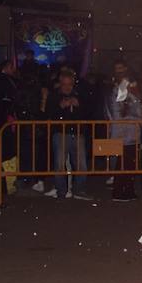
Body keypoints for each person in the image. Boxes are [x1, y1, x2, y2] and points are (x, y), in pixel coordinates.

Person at [45, 71, 88, 200]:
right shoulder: (54, 96)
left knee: (81, 165)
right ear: (60, 83)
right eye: (64, 84)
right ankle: (61, 191)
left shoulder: (79, 95)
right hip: (60, 133)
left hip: (77, 133)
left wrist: (79, 105)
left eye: (69, 84)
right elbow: (48, 113)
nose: (67, 87)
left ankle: (79, 190)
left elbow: (88, 112)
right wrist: (60, 107)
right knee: (59, 164)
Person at [104, 73, 142, 201]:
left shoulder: (131, 96)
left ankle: (128, 190)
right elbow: (119, 115)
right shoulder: (120, 94)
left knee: (130, 165)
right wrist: (138, 118)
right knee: (123, 165)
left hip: (132, 134)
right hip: (123, 135)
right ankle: (119, 192)